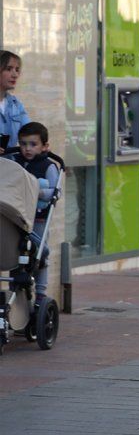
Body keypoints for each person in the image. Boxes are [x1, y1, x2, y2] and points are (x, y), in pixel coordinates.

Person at [6, 122, 59, 301]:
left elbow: (52, 191)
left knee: (40, 254)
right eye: (23, 144)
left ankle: (41, 294)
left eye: (33, 144)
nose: (27, 149)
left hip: (38, 219)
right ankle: (15, 289)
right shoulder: (14, 162)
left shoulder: (48, 166)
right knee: (16, 254)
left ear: (45, 146)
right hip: (17, 218)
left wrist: (35, 188)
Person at [0, 50, 30, 154]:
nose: (15, 75)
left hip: (10, 165)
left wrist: (41, 144)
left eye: (17, 70)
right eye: (9, 69)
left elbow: (30, 131)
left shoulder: (16, 104)